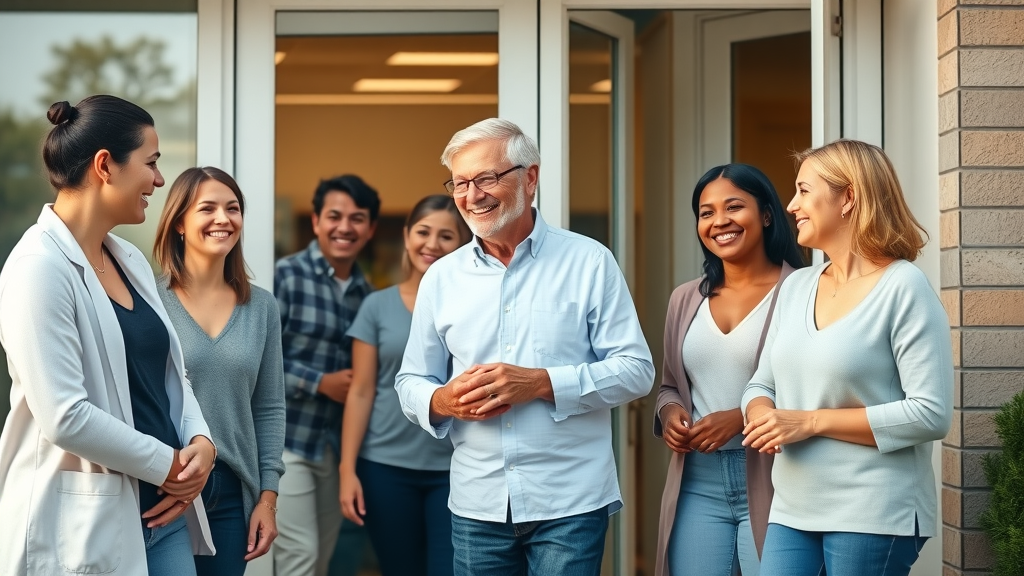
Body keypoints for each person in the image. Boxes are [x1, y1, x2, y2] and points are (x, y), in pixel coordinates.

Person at [395, 118, 655, 576]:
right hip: (478, 503)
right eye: (460, 183)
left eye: (487, 178)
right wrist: (440, 400)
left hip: (570, 501)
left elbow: (636, 370)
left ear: (530, 178)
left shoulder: (590, 261)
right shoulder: (441, 277)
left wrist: (539, 384)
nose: (472, 195)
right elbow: (411, 379)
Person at [0, 95, 216, 576]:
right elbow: (65, 415)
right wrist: (173, 466)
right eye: (152, 163)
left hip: (164, 516)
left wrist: (203, 440)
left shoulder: (130, 260)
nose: (159, 181)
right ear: (105, 165)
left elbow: (170, 374)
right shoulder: (39, 268)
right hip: (87, 521)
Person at [740, 139, 953, 576]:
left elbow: (931, 414)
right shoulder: (797, 286)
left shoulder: (903, 286)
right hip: (792, 509)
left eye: (803, 190)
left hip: (872, 511)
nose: (791, 204)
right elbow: (761, 383)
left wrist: (810, 421)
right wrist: (762, 412)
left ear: (848, 197)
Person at [653, 164, 805, 576]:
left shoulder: (803, 291)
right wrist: (669, 415)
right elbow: (670, 385)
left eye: (734, 207)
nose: (719, 221)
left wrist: (739, 419)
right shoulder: (685, 299)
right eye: (706, 212)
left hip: (776, 475)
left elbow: (815, 388)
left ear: (767, 214)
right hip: (697, 481)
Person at [154, 167, 286, 576]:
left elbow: (269, 408)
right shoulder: (148, 300)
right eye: (207, 208)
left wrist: (267, 498)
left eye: (233, 208)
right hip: (161, 484)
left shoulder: (261, 307)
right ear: (179, 222)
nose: (223, 219)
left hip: (230, 492)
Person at [339, 194, 471, 576]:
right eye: (423, 232)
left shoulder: (471, 305)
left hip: (455, 466)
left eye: (446, 236)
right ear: (407, 236)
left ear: (462, 243)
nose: (432, 244)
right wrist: (348, 471)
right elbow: (362, 391)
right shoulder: (376, 307)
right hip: (384, 468)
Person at [273, 174, 380, 576]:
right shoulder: (285, 276)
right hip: (289, 442)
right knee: (299, 556)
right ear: (316, 221)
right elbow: (260, 362)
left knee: (320, 561)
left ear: (370, 230)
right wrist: (320, 383)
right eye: (334, 216)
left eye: (357, 219)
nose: (344, 227)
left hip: (335, 448)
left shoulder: (368, 295)